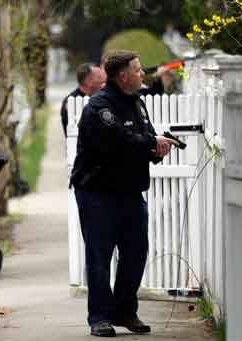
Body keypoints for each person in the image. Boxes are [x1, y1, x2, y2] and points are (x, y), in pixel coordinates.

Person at [70, 50, 178, 337]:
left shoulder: (137, 104)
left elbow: (143, 140)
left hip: (130, 192)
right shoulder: (99, 107)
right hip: (98, 193)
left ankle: (125, 311)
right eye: (138, 70)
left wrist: (157, 149)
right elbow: (118, 142)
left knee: (135, 254)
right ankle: (100, 318)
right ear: (122, 76)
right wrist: (148, 143)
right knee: (100, 257)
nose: (142, 74)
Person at [60, 63, 106, 136]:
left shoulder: (100, 95)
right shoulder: (72, 102)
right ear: (88, 81)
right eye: (99, 77)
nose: (104, 80)